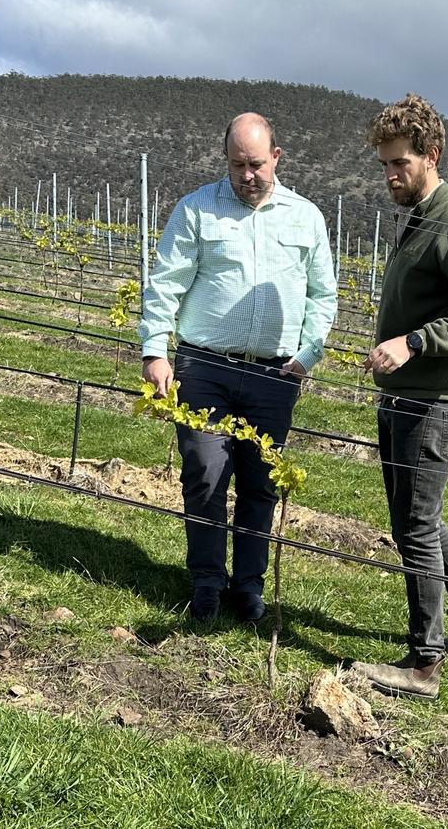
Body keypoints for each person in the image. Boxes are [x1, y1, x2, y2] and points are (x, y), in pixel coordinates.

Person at [139, 112, 337, 623]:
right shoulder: (196, 210)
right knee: (204, 473)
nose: (246, 175)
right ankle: (206, 580)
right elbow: (166, 283)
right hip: (205, 365)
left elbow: (323, 295)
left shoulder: (306, 217)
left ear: (276, 157)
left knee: (259, 482)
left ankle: (248, 586)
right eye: (236, 165)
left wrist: (309, 353)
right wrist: (154, 350)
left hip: (275, 375)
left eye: (255, 164)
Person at [352, 94, 448, 700]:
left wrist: (415, 342)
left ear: (431, 155)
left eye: (400, 164)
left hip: (434, 399)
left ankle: (423, 665)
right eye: (384, 164)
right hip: (405, 395)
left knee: (416, 524)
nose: (390, 175)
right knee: (412, 520)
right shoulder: (417, 215)